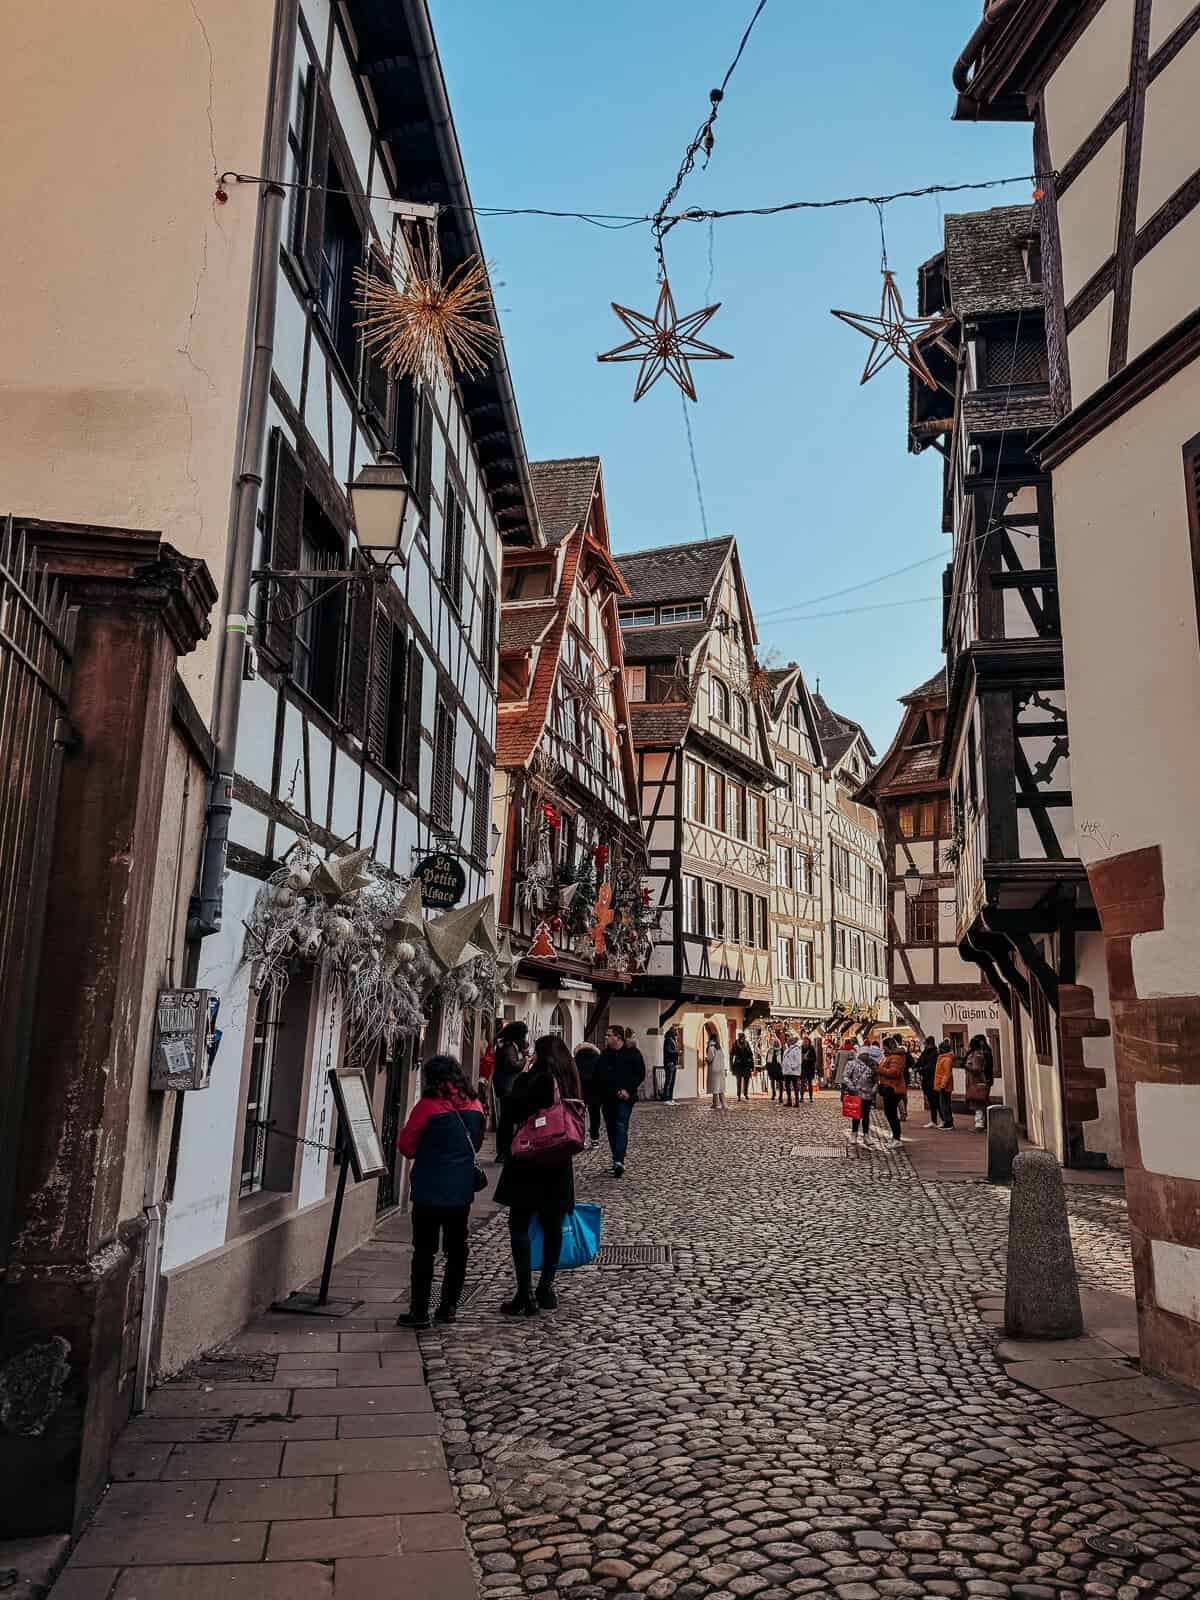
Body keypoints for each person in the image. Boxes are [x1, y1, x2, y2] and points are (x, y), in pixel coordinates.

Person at [395, 1055, 486, 1329]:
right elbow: (477, 1145)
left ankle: (419, 1311)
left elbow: (406, 1147)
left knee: (424, 1250)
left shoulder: (428, 1107)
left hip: (428, 1189)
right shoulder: (475, 1105)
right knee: (457, 1250)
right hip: (460, 1190)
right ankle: (448, 1307)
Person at [495, 1034, 581, 1316]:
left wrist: (522, 1077)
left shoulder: (536, 1079)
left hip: (530, 1159)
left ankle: (525, 1293)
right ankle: (546, 1287)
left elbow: (510, 1110)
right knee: (552, 1226)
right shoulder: (570, 1080)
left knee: (519, 1225)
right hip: (558, 1162)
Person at [600, 1025, 644, 1174]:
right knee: (611, 1129)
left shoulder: (633, 1053)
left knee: (620, 1126)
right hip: (608, 1098)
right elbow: (600, 1076)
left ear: (617, 1037)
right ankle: (616, 1157)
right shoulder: (605, 1055)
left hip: (626, 1098)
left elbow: (640, 1074)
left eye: (608, 1035)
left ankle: (619, 1160)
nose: (606, 1037)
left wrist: (628, 1090)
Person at [492, 1021, 527, 1160]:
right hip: (507, 1087)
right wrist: (525, 1060)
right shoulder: (508, 1047)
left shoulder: (507, 1046)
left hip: (505, 1086)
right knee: (507, 1121)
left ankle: (504, 1151)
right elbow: (512, 1065)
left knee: (506, 1120)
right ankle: (504, 1152)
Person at [876, 1038, 908, 1148]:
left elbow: (895, 1072)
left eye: (884, 1047)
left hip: (893, 1088)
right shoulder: (891, 1056)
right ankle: (895, 1137)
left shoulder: (895, 1057)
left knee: (891, 1113)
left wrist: (880, 1070)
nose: (883, 1049)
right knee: (890, 1113)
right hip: (890, 1087)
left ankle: (897, 1138)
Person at [842, 1049, 878, 1145]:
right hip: (856, 1093)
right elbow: (845, 1076)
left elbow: (877, 1078)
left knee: (866, 1115)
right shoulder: (852, 1064)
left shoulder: (873, 1065)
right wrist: (851, 1086)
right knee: (856, 1114)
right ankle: (854, 1134)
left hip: (868, 1093)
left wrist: (874, 1088)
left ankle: (866, 1135)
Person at [575, 1040, 603, 1146]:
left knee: (579, 1115)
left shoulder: (575, 1059)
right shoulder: (599, 1059)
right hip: (595, 1091)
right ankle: (594, 1138)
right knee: (595, 1115)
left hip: (580, 1090)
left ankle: (580, 1138)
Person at [965, 1034, 995, 1131]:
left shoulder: (978, 1054)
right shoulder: (978, 1053)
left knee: (979, 1102)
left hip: (978, 1081)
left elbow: (977, 1069)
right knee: (980, 1102)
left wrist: (967, 1066)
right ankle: (982, 1124)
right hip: (980, 1080)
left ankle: (980, 1125)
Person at [915, 1036, 939, 1127]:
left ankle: (940, 1120)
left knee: (934, 1100)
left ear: (930, 1044)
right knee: (931, 1100)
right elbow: (920, 1061)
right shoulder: (925, 1052)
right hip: (926, 1079)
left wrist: (920, 1070)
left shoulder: (934, 1053)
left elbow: (931, 1066)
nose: (925, 1046)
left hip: (932, 1079)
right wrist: (915, 1067)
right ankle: (934, 1120)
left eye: (926, 1044)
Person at [704, 1020, 728, 1110]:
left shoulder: (711, 1047)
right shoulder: (719, 1048)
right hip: (721, 1070)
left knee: (715, 1088)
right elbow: (723, 1058)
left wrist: (706, 1059)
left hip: (714, 1070)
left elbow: (710, 1058)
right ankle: (724, 1104)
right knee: (721, 1089)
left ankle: (716, 1104)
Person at [933, 1039, 956, 1129]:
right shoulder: (943, 1058)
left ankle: (948, 1122)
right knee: (944, 1104)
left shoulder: (946, 1059)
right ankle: (947, 1121)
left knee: (944, 1104)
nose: (938, 1049)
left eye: (939, 1048)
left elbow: (946, 1074)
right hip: (943, 1085)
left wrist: (942, 1085)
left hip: (944, 1086)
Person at [731, 1031, 755, 1101]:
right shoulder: (735, 1044)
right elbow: (732, 1054)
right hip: (738, 1064)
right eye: (742, 1038)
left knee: (746, 1080)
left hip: (746, 1064)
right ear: (740, 1037)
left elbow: (751, 1054)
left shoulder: (747, 1043)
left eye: (744, 1038)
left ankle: (746, 1094)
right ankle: (738, 1095)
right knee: (739, 1081)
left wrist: (752, 1065)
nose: (743, 1039)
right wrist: (731, 1064)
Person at [780, 1035, 803, 1106]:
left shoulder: (797, 1049)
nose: (788, 1041)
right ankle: (789, 1101)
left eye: (790, 1040)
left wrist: (792, 1067)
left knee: (795, 1086)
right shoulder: (787, 1049)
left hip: (794, 1071)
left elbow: (799, 1061)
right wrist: (783, 1067)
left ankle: (796, 1102)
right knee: (787, 1086)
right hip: (787, 1071)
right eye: (788, 1040)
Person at [660, 1025, 680, 1104]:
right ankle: (666, 1099)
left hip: (673, 1063)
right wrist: (677, 1052)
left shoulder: (673, 1039)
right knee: (668, 1081)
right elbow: (668, 1050)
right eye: (676, 1030)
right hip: (669, 1063)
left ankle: (671, 1098)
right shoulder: (668, 1039)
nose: (677, 1032)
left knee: (672, 1082)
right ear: (673, 1031)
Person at [799, 1034, 817, 1103]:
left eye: (806, 1041)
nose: (805, 1043)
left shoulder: (811, 1049)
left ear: (809, 1042)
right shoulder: (801, 1048)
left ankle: (811, 1097)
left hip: (810, 1068)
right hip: (803, 1068)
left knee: (810, 1083)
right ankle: (801, 1097)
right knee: (802, 1083)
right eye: (804, 1041)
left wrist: (807, 1059)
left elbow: (814, 1058)